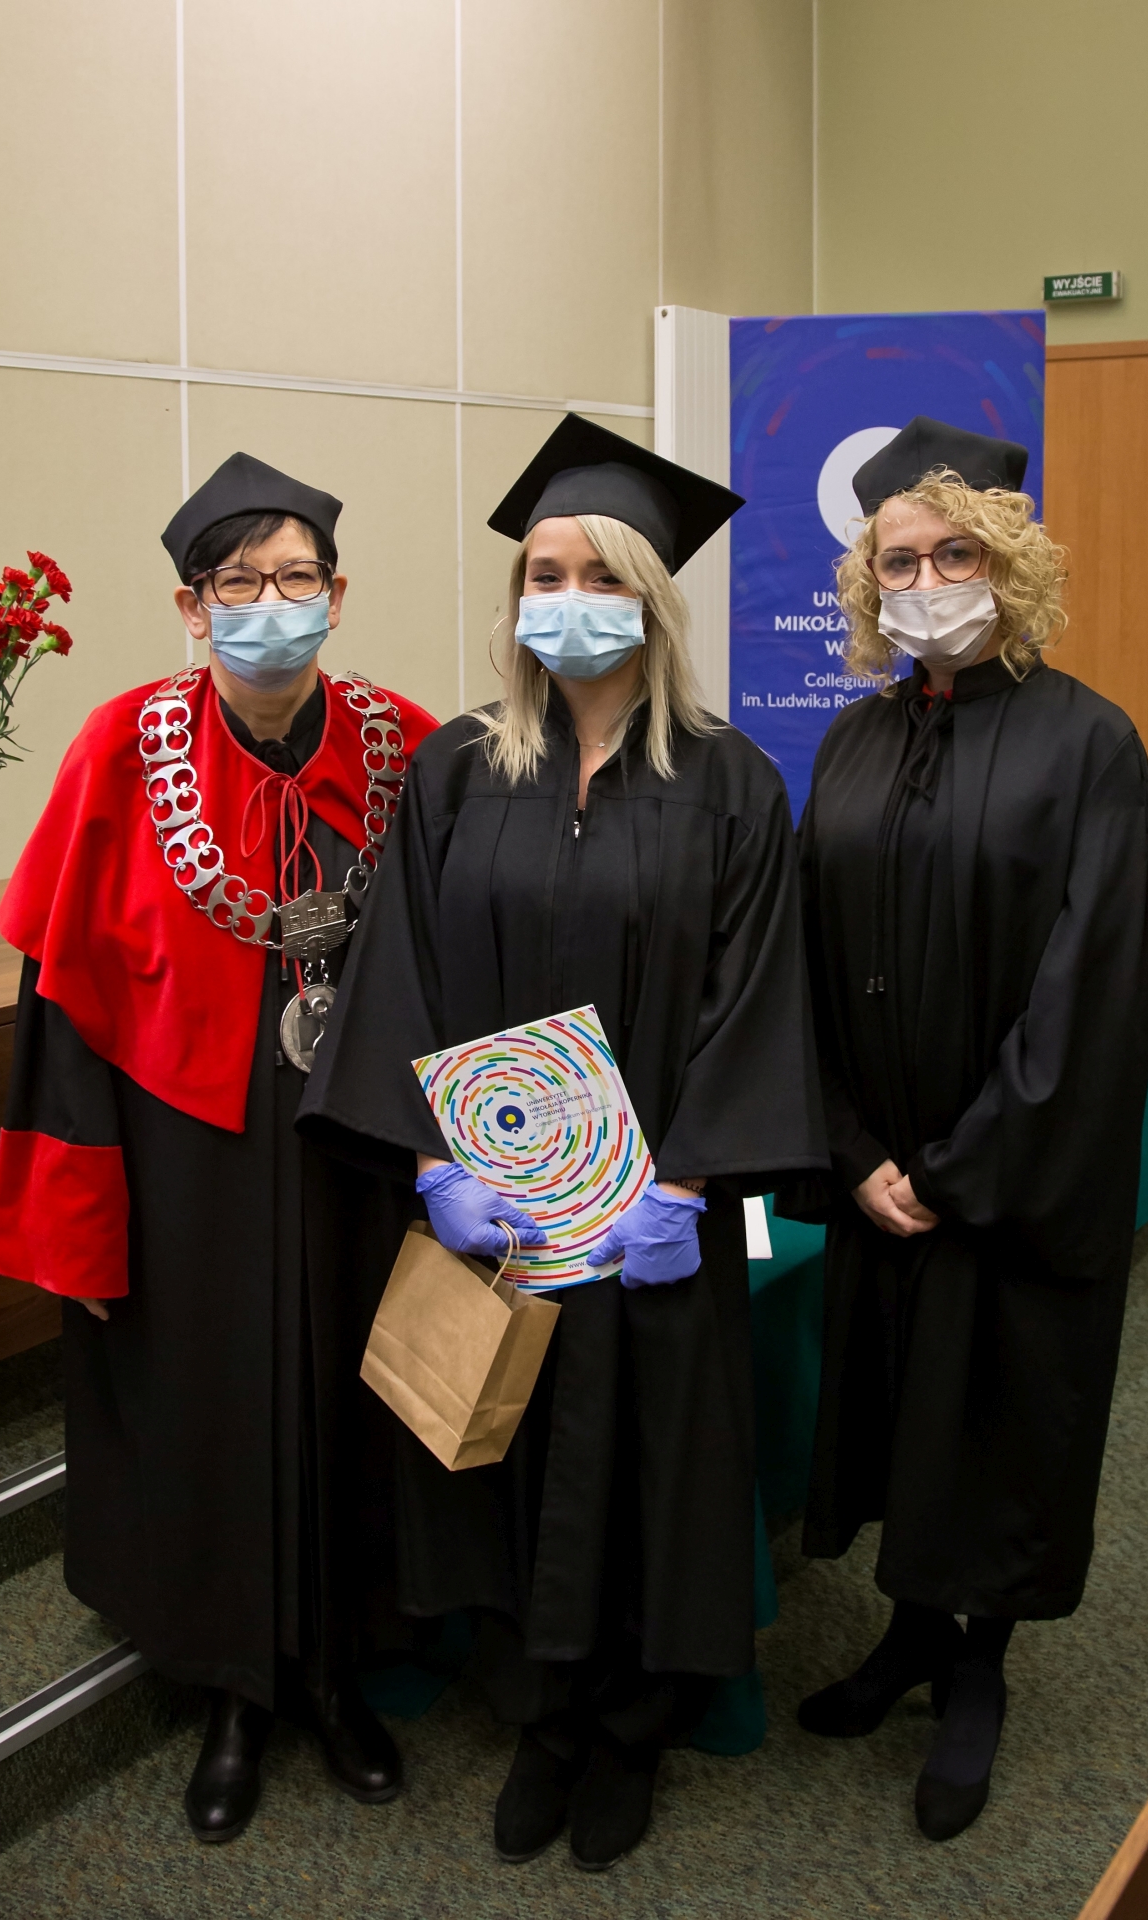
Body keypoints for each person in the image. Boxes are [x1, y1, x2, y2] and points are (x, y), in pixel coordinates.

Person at [296, 415, 828, 1871]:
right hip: (507, 1210)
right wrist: (435, 1165)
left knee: (650, 1451)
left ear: (650, 598)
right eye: (543, 572)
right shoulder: (458, 770)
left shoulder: (731, 782)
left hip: (653, 1208)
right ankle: (541, 1716)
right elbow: (402, 970)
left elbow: (755, 993)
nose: (565, 596)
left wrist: (687, 1182)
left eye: (597, 573)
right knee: (511, 1446)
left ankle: (634, 1727)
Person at [0, 452, 438, 1842]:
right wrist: (77, 1219)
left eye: (296, 578)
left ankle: (340, 1670)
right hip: (180, 1160)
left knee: (360, 1397)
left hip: (358, 1150)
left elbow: (469, 957)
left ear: (338, 595)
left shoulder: (408, 745)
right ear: (192, 607)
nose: (269, 605)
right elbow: (62, 1009)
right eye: (238, 583)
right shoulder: (123, 750)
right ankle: (235, 1689)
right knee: (204, 1406)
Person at [785, 417, 1148, 1841]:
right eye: (901, 561)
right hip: (879, 1162)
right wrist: (851, 1152)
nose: (929, 581)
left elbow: (1090, 985)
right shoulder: (854, 738)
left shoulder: (1091, 743)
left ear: (1010, 566)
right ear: (868, 583)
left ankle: (979, 1664)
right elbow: (805, 964)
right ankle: (907, 1634)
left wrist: (957, 1168)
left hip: (1004, 1173)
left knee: (1000, 1411)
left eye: (957, 555)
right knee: (897, 1405)